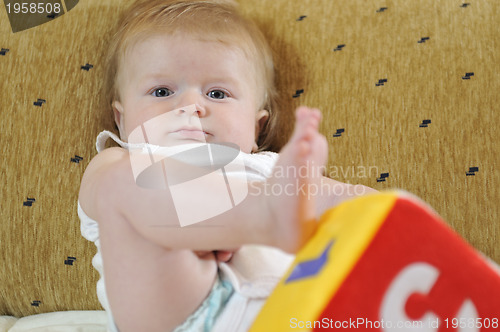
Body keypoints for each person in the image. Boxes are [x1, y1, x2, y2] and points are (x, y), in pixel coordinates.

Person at [78, 1, 376, 331]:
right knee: (122, 186)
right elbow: (110, 189)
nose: (191, 106)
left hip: (287, 314)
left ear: (257, 127)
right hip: (178, 313)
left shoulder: (270, 168)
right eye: (161, 91)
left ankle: (264, 215)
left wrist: (386, 209)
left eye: (217, 94)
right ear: (121, 120)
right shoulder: (121, 160)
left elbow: (347, 201)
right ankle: (258, 215)